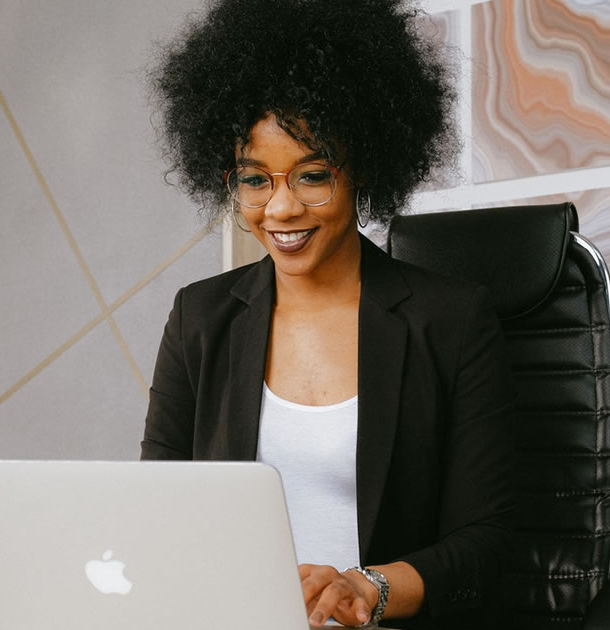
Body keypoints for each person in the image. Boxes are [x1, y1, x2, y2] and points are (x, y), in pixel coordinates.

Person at [141, 1, 515, 628]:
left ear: (364, 165)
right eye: (255, 180)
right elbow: (156, 508)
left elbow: (488, 539)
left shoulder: (452, 321)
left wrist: (367, 588)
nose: (280, 209)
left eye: (312, 175)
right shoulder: (200, 318)